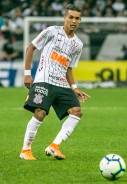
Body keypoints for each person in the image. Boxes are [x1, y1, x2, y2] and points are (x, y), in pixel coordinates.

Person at [20, 4, 91, 160]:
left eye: (77, 18)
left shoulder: (78, 44)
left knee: (76, 111)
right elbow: (30, 48)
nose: (74, 20)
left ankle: (54, 146)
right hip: (44, 79)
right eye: (71, 17)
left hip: (62, 84)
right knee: (40, 112)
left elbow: (69, 68)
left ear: (80, 21)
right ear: (65, 18)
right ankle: (25, 150)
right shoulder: (52, 31)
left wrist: (74, 87)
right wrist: (27, 74)